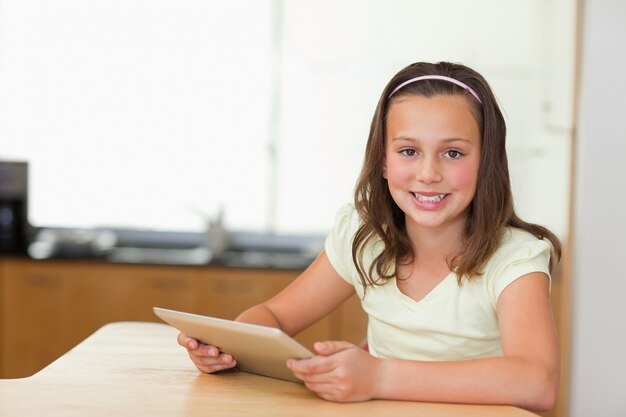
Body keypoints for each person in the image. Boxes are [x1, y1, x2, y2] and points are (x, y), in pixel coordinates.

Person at [177, 61, 561, 411]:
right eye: (409, 151)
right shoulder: (364, 238)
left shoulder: (515, 259)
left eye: (453, 154)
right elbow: (275, 314)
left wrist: (380, 376)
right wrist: (230, 348)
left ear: (486, 161)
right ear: (383, 161)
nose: (428, 173)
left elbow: (537, 383)